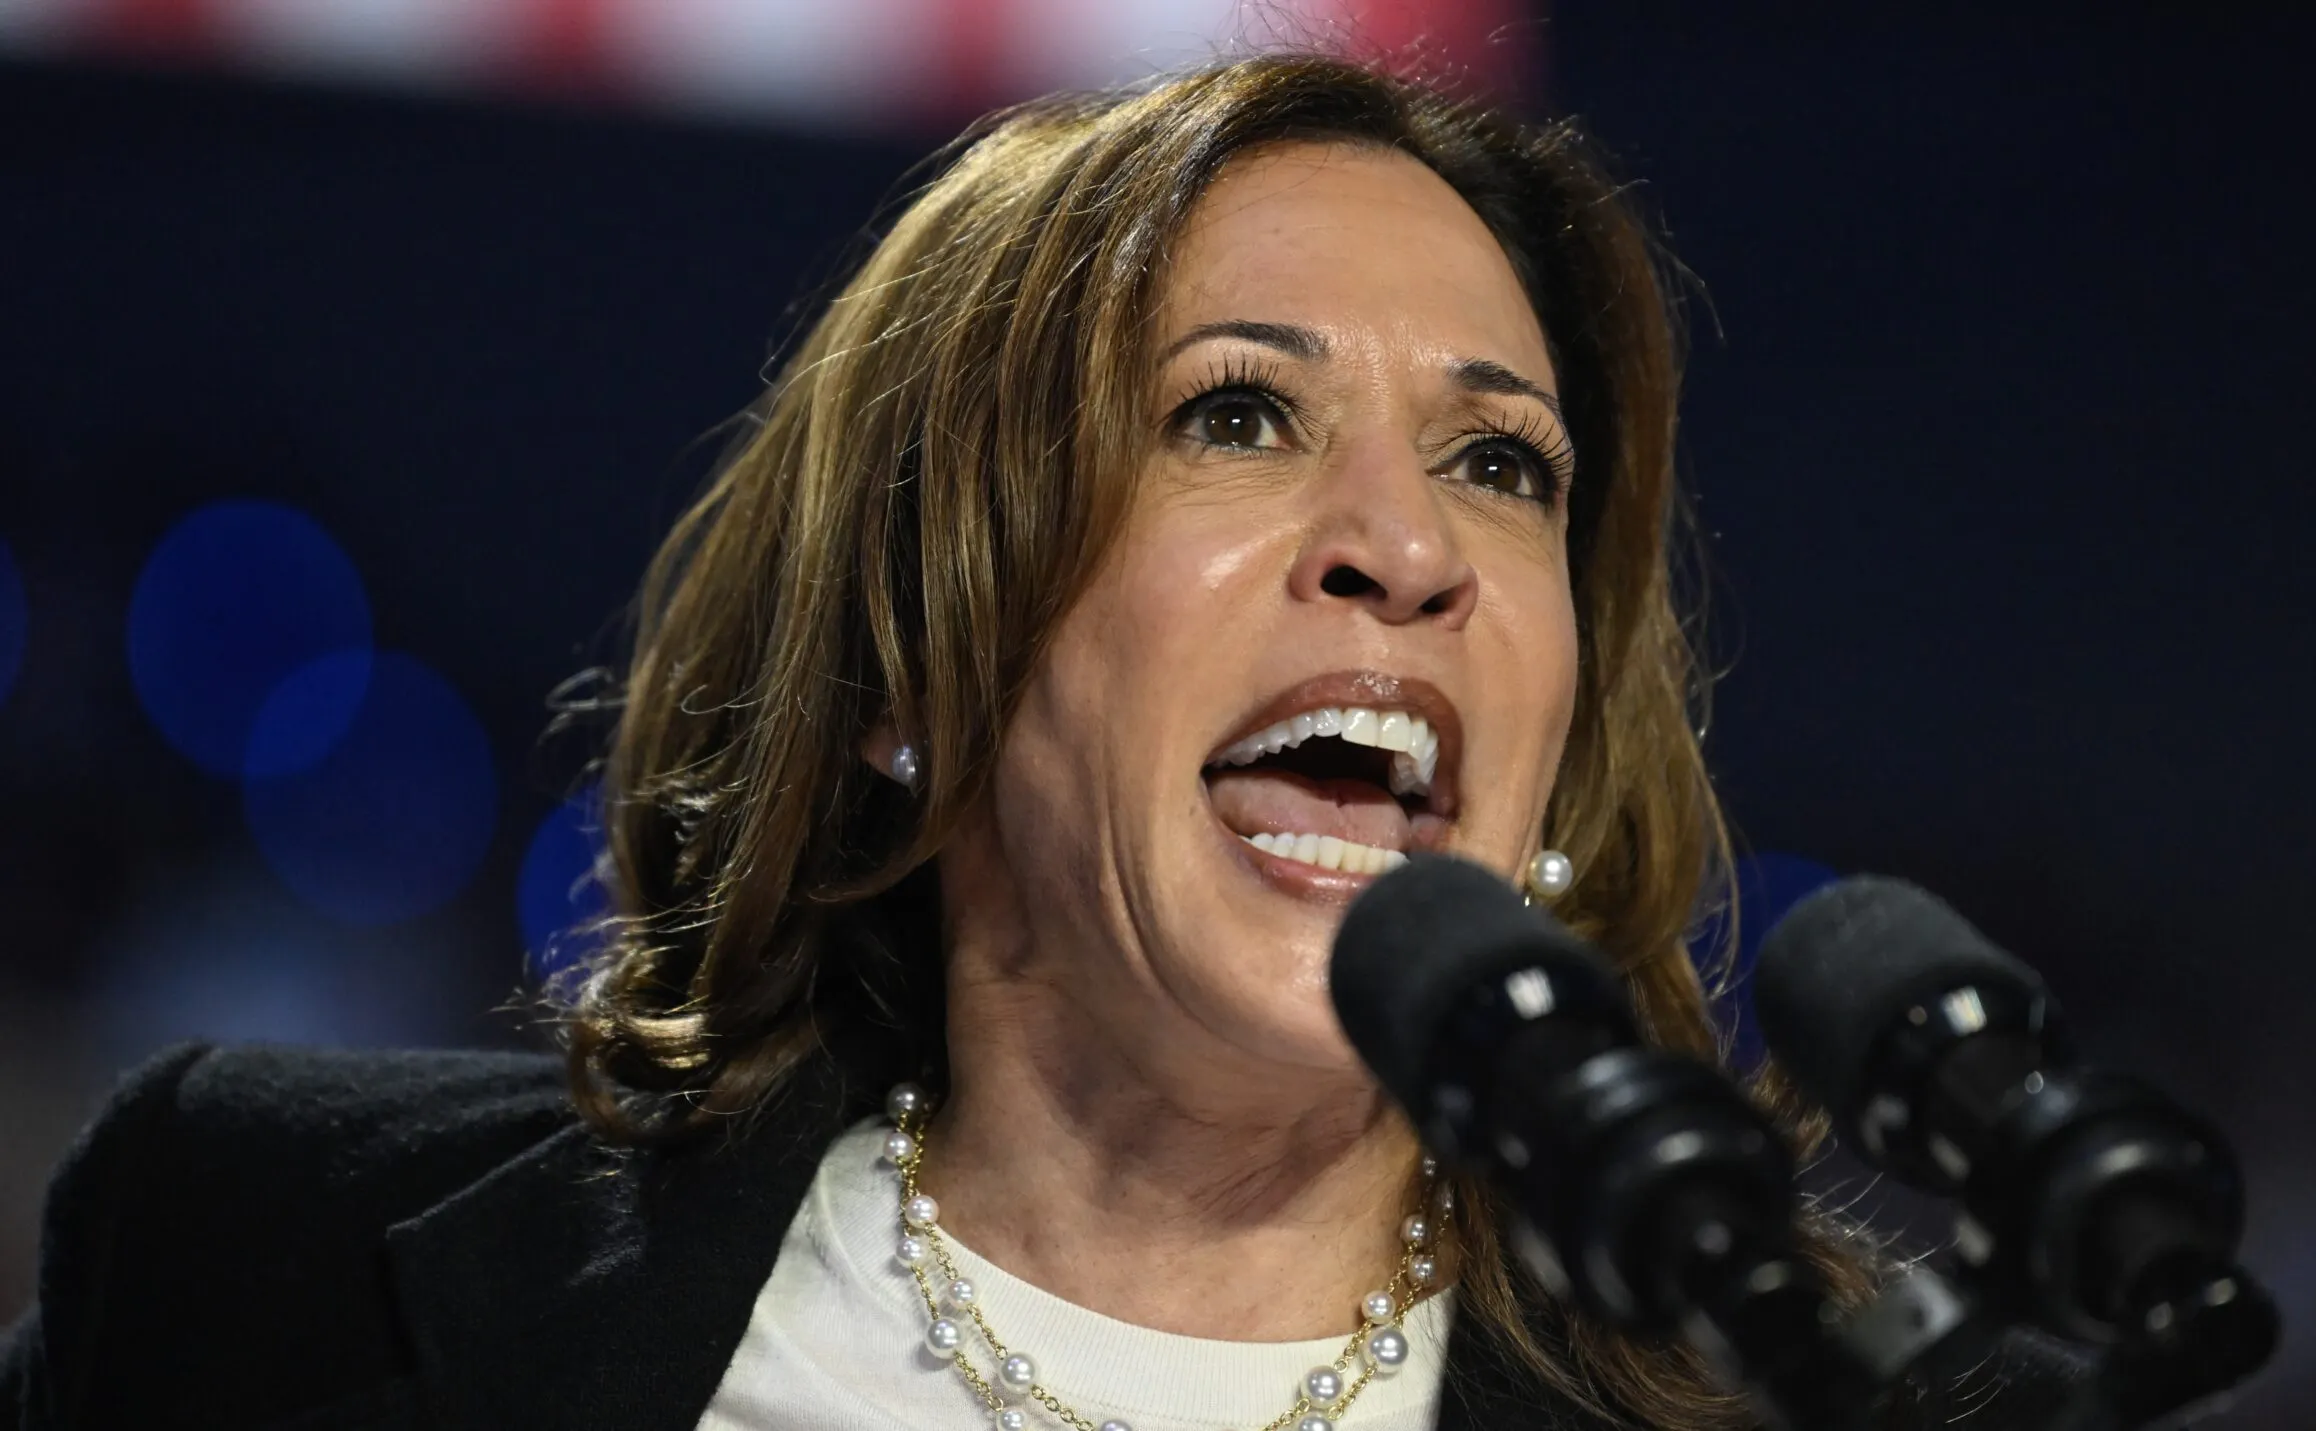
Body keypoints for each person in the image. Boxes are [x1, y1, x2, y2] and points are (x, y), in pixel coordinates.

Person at [0, 54, 2076, 1431]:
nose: (1407, 545)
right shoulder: (246, 1260)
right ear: (908, 668)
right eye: (1236, 414)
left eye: (1499, 461)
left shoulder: (1839, 1404)